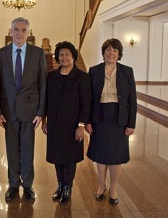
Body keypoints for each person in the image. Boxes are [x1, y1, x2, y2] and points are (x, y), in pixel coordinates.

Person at [0, 17, 47, 202]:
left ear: (28, 32)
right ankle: (13, 184)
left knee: (27, 149)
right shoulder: (1, 54)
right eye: (16, 29)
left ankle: (27, 185)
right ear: (10, 32)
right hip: (8, 110)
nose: (19, 33)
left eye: (23, 30)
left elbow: (43, 84)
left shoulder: (38, 53)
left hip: (30, 110)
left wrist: (41, 112)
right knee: (11, 149)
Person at [85, 38, 137, 206]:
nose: (111, 53)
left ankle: (113, 188)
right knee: (101, 154)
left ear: (119, 54)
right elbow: (89, 98)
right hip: (99, 116)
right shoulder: (94, 71)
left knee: (116, 156)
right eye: (108, 50)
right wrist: (88, 121)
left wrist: (131, 123)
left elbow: (132, 100)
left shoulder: (127, 71)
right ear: (103, 53)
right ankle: (101, 186)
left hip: (119, 117)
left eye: (115, 50)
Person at [41, 41, 91, 205]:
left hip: (72, 126)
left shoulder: (82, 77)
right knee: (57, 157)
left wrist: (81, 126)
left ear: (73, 57)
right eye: (61, 55)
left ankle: (68, 187)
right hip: (55, 124)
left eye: (67, 54)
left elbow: (86, 103)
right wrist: (44, 121)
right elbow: (47, 100)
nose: (64, 57)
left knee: (69, 158)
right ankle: (60, 185)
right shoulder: (52, 76)